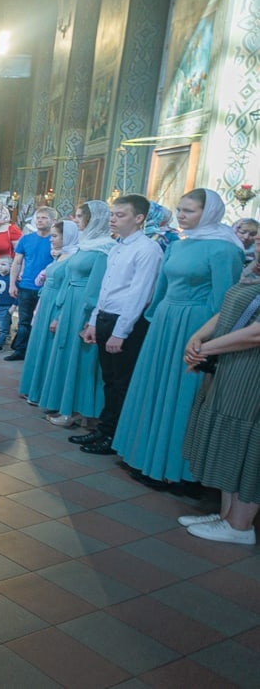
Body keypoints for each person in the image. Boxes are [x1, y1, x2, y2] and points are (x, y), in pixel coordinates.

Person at [113, 188, 244, 482]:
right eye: (180, 209)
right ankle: (143, 455)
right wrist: (154, 317)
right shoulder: (178, 245)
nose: (182, 216)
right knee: (154, 387)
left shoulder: (225, 249)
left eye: (190, 210)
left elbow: (225, 301)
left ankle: (175, 470)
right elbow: (162, 287)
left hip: (194, 325)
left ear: (207, 213)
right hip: (164, 323)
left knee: (181, 394)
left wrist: (209, 339)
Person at [73, 195, 163, 455]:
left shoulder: (147, 249)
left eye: (120, 214)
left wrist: (120, 332)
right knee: (109, 380)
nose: (113, 218)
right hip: (105, 318)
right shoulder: (117, 247)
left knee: (121, 382)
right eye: (112, 214)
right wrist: (93, 322)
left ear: (139, 218)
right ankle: (104, 428)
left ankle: (114, 436)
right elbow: (106, 288)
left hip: (126, 323)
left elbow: (139, 294)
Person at [179, 255, 260, 545]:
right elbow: (229, 311)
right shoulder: (252, 273)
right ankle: (227, 516)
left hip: (252, 371)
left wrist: (207, 349)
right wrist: (199, 337)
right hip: (233, 363)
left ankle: (240, 525)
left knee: (245, 440)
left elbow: (256, 333)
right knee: (228, 438)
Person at [37, 202, 114, 428]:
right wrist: (60, 310)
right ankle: (67, 406)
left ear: (93, 219)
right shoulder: (86, 244)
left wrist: (89, 316)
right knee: (67, 353)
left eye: (81, 216)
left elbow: (97, 285)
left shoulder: (104, 248)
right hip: (71, 302)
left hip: (84, 306)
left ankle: (81, 411)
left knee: (81, 357)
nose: (76, 219)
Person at [19, 219, 78, 407]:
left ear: (66, 236)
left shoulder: (73, 257)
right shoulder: (60, 255)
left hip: (56, 304)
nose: (51, 239)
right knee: (38, 344)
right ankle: (33, 387)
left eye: (55, 236)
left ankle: (44, 390)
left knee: (48, 348)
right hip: (45, 302)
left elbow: (68, 287)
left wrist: (59, 314)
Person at [6, 206, 58, 361]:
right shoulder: (26, 239)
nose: (40, 220)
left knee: (44, 321)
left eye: (44, 218)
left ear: (53, 221)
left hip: (47, 287)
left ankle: (39, 352)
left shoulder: (55, 240)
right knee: (24, 321)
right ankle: (20, 351)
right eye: (38, 217)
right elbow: (16, 263)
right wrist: (12, 284)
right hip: (27, 286)